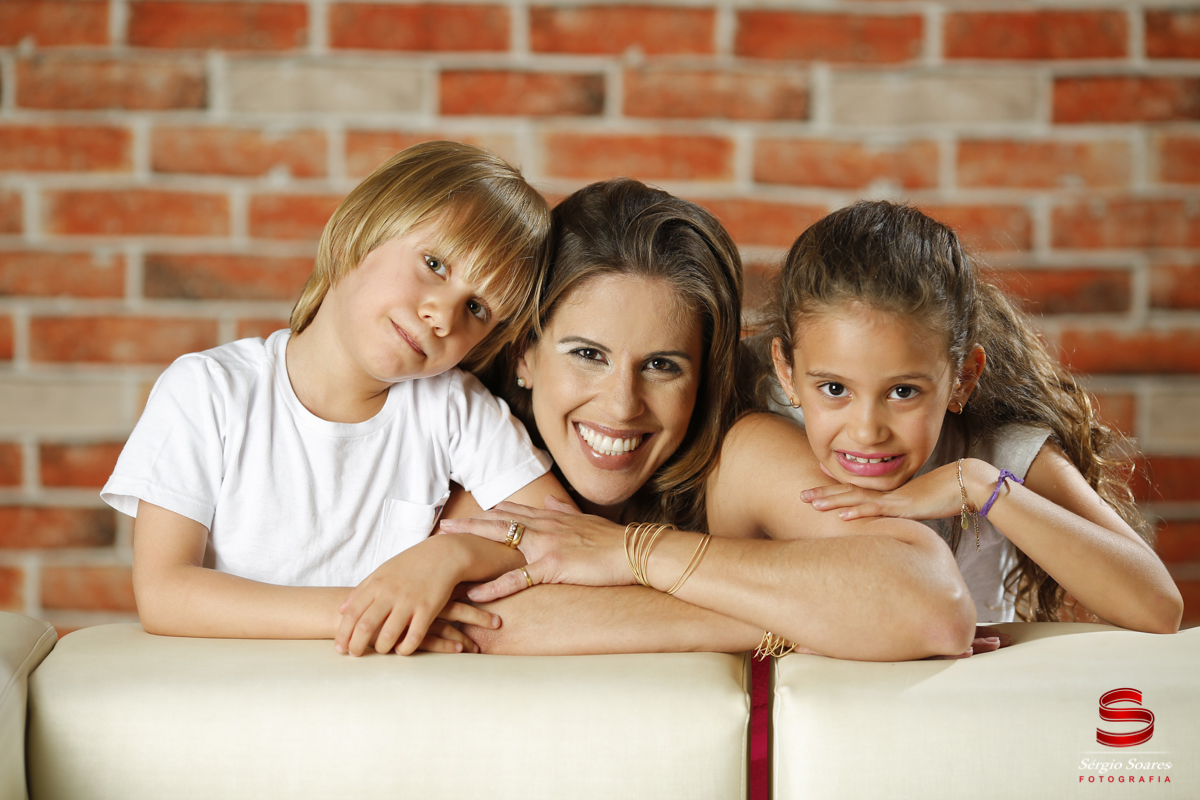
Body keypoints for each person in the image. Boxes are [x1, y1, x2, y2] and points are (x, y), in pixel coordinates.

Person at [440, 180, 979, 661]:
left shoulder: (740, 455)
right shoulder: (477, 443)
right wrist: (796, 617)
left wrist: (633, 551)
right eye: (588, 355)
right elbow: (485, 624)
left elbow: (933, 607)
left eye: (662, 365)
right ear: (524, 355)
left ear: (704, 377)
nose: (623, 405)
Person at [101, 141, 572, 657]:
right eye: (435, 264)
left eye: (477, 309)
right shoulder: (208, 390)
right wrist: (372, 608)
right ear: (361, 231)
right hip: (234, 690)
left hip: (379, 697)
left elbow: (563, 535)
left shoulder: (454, 408)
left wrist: (452, 555)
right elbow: (165, 593)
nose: (443, 316)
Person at [758, 200, 1181, 631]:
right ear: (786, 373)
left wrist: (980, 486)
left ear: (962, 378)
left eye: (903, 391)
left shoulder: (996, 450)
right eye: (834, 389)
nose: (867, 431)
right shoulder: (761, 426)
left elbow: (1159, 607)